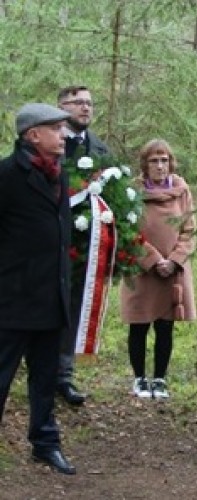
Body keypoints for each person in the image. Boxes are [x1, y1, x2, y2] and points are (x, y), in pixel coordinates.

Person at [0, 103, 77, 474]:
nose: (63, 136)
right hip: (12, 300)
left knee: (45, 378)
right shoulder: (6, 175)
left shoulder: (59, 174)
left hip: (51, 297)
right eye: (56, 129)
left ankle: (45, 443)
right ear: (33, 135)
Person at [119, 139, 197, 399]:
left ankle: (160, 379)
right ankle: (139, 378)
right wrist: (152, 260)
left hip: (172, 271)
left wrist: (174, 260)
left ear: (171, 163)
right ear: (145, 164)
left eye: (164, 160)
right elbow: (128, 230)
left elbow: (189, 230)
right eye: (154, 161)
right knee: (139, 325)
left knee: (165, 326)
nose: (160, 166)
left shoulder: (182, 190)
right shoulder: (132, 192)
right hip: (142, 270)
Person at [56, 84, 110, 406]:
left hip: (86, 247)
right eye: (78, 103)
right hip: (50, 244)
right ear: (61, 107)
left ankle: (64, 375)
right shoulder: (49, 144)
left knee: (75, 307)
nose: (86, 108)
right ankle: (39, 369)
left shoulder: (100, 149)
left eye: (89, 103)